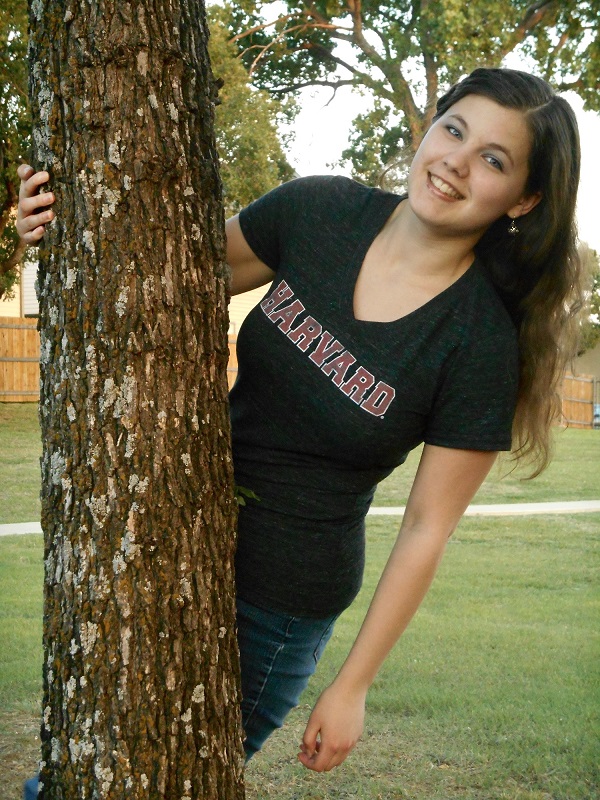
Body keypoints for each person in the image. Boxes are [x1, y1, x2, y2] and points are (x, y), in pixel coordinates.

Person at [17, 67, 584, 785]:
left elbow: (424, 529)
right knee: (86, 763)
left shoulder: (477, 344)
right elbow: (155, 271)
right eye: (454, 130)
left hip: (279, 604)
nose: (456, 164)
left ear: (525, 199)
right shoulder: (321, 211)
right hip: (166, 534)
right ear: (429, 129)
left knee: (158, 777)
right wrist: (56, 231)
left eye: (494, 161)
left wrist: (352, 686)